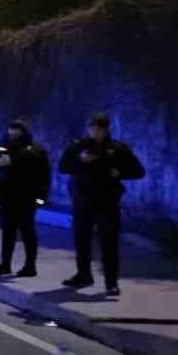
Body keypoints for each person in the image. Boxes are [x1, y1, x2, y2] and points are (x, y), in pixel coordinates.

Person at [58, 113, 146, 296]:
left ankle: (111, 283)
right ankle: (83, 275)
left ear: (106, 129)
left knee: (108, 243)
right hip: (82, 201)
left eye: (99, 128)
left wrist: (119, 172)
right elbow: (63, 167)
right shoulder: (78, 146)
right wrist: (80, 160)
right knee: (81, 240)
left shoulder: (117, 148)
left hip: (107, 202)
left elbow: (138, 171)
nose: (95, 131)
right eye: (92, 128)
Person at [0, 119, 50, 278]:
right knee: (8, 230)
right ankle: (5, 264)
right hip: (5, 195)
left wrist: (41, 198)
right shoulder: (2, 144)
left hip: (26, 197)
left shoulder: (35, 149)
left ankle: (30, 266)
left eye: (16, 132)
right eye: (11, 131)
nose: (12, 134)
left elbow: (43, 175)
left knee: (27, 230)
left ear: (23, 133)